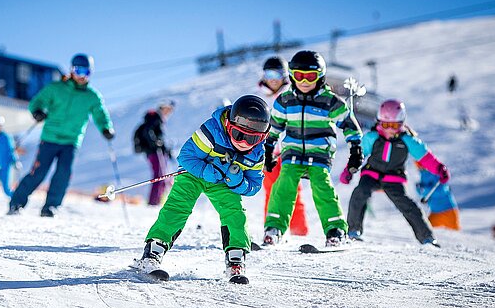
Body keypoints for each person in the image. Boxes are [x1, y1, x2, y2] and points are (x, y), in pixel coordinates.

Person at [133, 95, 270, 284]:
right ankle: (152, 253)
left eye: (253, 138)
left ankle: (236, 260)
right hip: (194, 173)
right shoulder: (212, 131)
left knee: (235, 213)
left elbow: (254, 186)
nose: (244, 143)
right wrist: (207, 171)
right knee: (177, 207)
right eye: (239, 135)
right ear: (229, 125)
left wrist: (237, 181)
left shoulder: (257, 153)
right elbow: (186, 157)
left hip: (223, 181)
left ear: (262, 136)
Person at [263, 50, 363, 247]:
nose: (304, 81)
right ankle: (274, 228)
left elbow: (349, 124)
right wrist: (268, 150)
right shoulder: (285, 101)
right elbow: (274, 127)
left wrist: (355, 149)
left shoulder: (329, 101)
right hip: (291, 154)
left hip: (319, 154)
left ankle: (335, 230)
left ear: (320, 76)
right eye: (299, 76)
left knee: (322, 188)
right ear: (292, 76)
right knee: (283, 187)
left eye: (310, 76)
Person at [8, 54, 114, 217]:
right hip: (50, 138)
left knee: (63, 174)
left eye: (86, 72)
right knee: (39, 173)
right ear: (71, 71)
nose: (81, 76)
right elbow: (37, 101)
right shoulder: (56, 88)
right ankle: (16, 203)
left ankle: (51, 207)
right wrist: (37, 112)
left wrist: (106, 128)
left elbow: (100, 114)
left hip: (71, 141)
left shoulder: (92, 96)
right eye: (78, 71)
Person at [342, 99, 449, 247]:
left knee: (407, 204)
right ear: (379, 122)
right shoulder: (372, 137)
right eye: (385, 125)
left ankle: (427, 238)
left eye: (394, 125)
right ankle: (353, 231)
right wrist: (349, 170)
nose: (389, 129)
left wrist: (439, 169)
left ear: (402, 123)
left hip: (394, 178)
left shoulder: (408, 140)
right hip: (371, 174)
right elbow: (358, 155)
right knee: (359, 193)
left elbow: (425, 157)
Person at [257, 56, 308, 236]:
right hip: (268, 153)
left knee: (292, 190)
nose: (273, 78)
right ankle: (271, 230)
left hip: (289, 151)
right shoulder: (260, 99)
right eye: (268, 73)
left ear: (285, 75)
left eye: (277, 73)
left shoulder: (292, 95)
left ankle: (298, 231)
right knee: (271, 190)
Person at [133, 100, 176, 205]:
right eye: (168, 109)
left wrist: (165, 149)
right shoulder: (155, 117)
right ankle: (153, 202)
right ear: (162, 108)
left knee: (163, 177)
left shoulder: (157, 119)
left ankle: (158, 201)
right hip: (155, 152)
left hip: (156, 151)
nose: (169, 112)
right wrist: (155, 144)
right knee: (160, 177)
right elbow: (149, 132)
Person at [415, 162, 460, 230]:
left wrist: (424, 190)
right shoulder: (423, 175)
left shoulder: (434, 172)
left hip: (448, 211)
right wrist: (421, 191)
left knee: (455, 234)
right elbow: (423, 192)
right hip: (435, 212)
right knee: (426, 230)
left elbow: (441, 190)